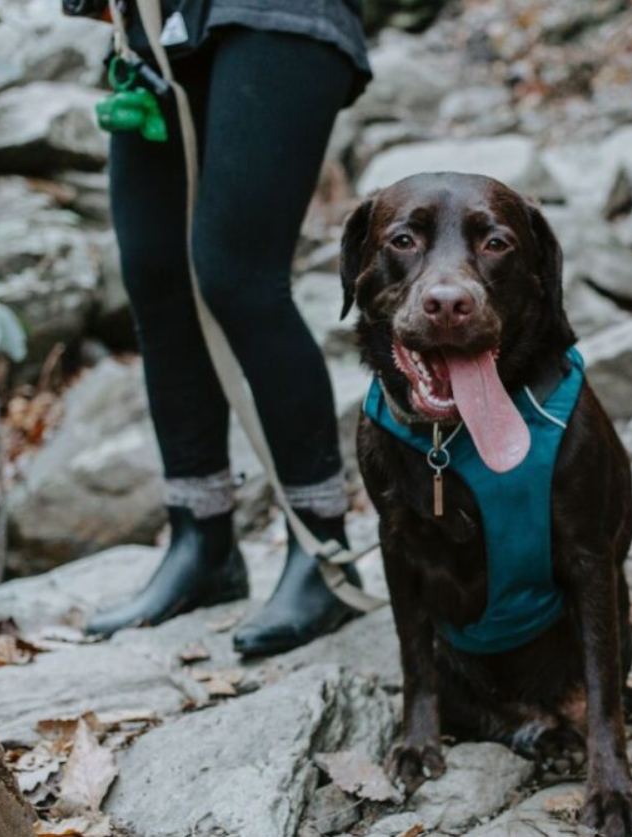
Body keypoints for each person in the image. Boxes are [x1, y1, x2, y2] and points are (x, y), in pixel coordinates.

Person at [85, 0, 372, 658]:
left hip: (276, 13)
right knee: (157, 279)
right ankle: (202, 541)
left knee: (237, 276)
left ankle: (321, 550)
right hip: (153, 25)